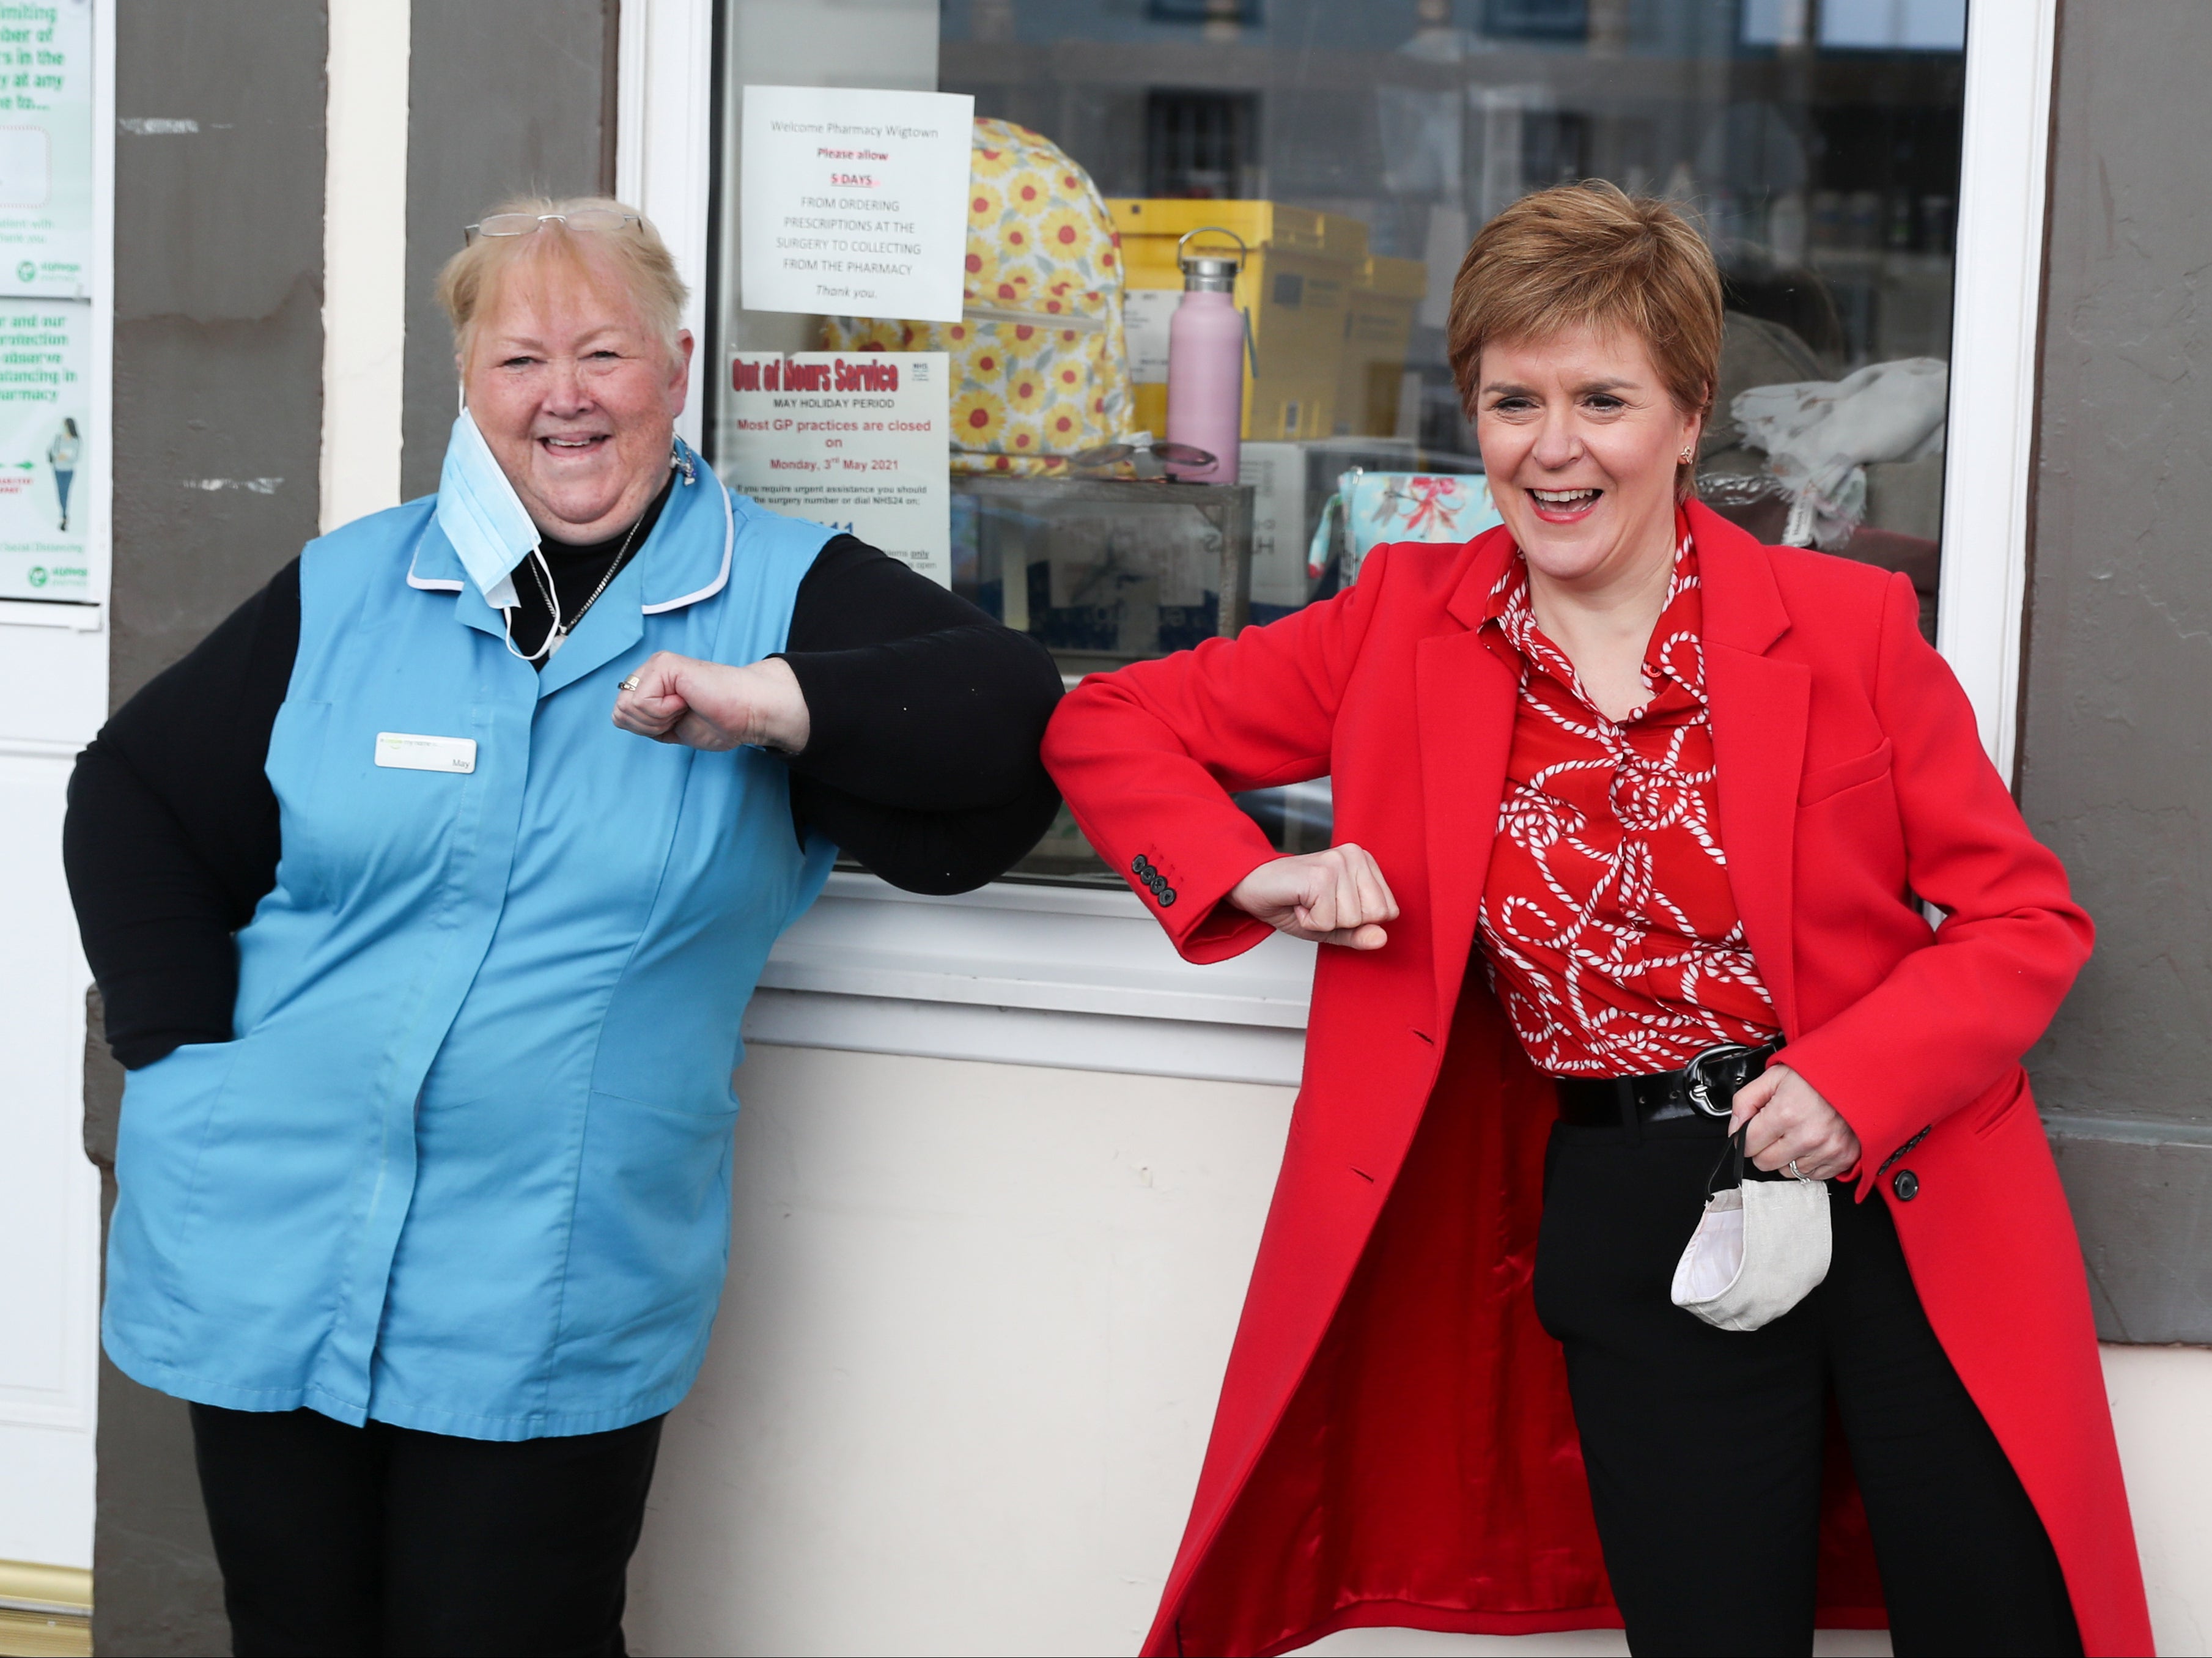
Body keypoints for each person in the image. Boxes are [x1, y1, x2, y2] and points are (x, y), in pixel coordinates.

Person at [1042, 182, 2151, 1657]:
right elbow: (1108, 722)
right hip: (1643, 1212)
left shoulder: (1842, 626)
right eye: (1510, 399)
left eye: (1600, 398)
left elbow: (2020, 916)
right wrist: (1256, 871)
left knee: (1998, 1618)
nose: (1550, 447)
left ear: (1689, 417)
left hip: (1903, 1192)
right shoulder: (1395, 623)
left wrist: (1853, 1079)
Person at [64, 196, 1061, 1657]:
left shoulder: (776, 589)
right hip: (269, 1228)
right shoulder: (357, 583)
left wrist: (775, 702)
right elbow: (134, 792)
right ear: (469, 389)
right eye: (519, 361)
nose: (565, 397)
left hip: (541, 1273)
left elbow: (1007, 724)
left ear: (676, 363)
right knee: (294, 1630)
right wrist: (182, 1057)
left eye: (602, 352)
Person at [48, 415, 78, 531]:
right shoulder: (58, 438)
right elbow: (54, 452)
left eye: (65, 425)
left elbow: (76, 457)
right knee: (60, 492)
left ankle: (65, 515)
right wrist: (60, 456)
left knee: (66, 492)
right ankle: (63, 514)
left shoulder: (76, 440)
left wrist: (65, 456)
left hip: (69, 470)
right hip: (58, 469)